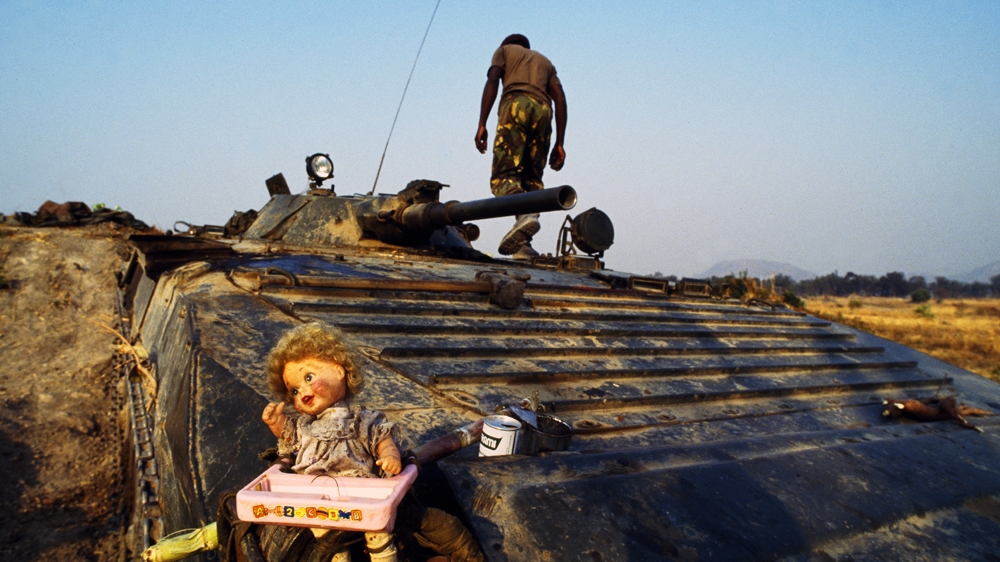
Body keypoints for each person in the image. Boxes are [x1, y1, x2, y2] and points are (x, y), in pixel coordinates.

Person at [262, 322, 402, 562]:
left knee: (377, 527)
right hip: (314, 493)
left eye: (309, 377)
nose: (302, 391)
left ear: (339, 371)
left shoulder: (360, 419)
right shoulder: (305, 426)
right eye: (294, 391)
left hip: (358, 491)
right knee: (325, 535)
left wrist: (390, 456)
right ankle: (337, 556)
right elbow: (290, 438)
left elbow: (381, 437)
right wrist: (277, 423)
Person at [475, 33, 567, 259]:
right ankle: (523, 242)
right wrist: (560, 143)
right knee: (532, 179)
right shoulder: (545, 62)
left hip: (516, 104)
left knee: (504, 175)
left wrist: (482, 123)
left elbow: (493, 80)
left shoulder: (504, 51)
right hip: (544, 111)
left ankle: (524, 215)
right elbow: (560, 98)